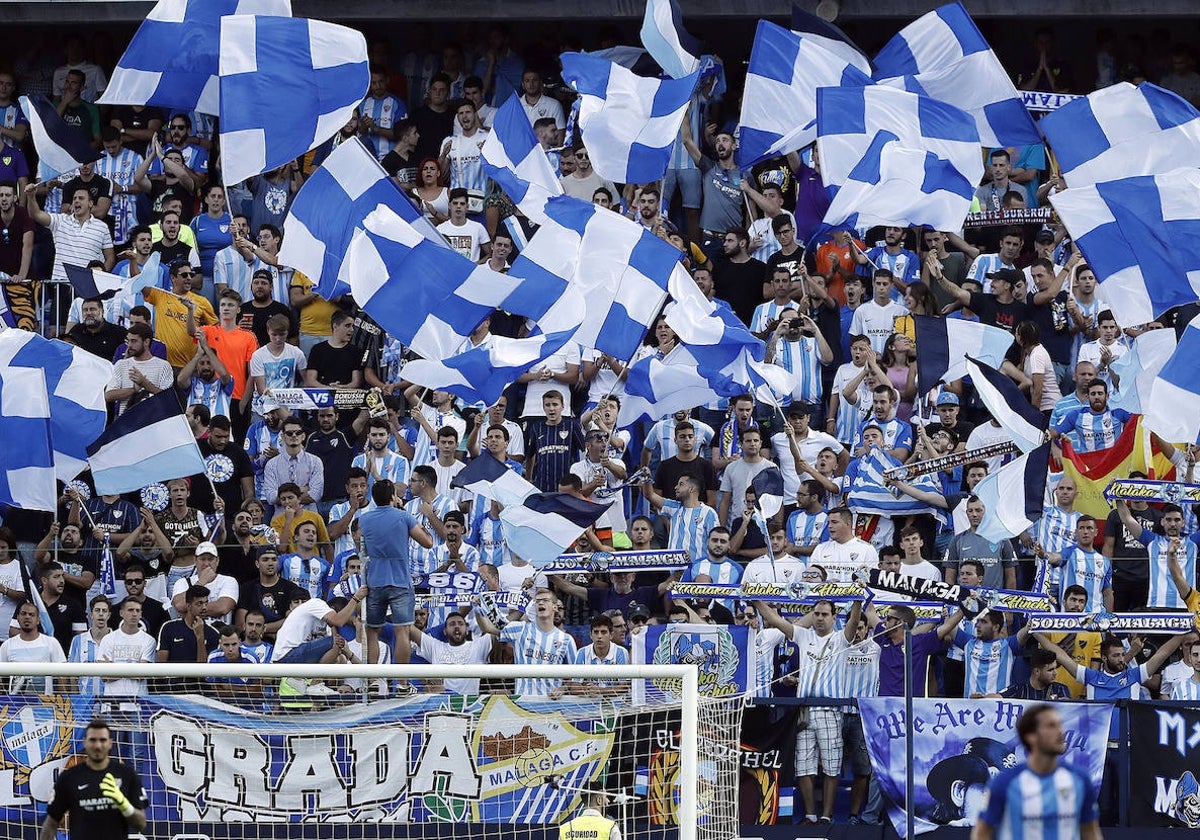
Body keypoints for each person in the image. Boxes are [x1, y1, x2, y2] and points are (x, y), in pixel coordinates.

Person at [970, 705, 1101, 840]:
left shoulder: (1080, 779)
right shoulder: (1005, 782)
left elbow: (1091, 832)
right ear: (1031, 736)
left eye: (1060, 725)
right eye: (1051, 726)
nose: (1061, 732)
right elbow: (982, 833)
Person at [358, 479, 434, 667]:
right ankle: (402, 683)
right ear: (393, 496)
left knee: (373, 632)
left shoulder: (364, 519)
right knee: (402, 632)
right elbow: (428, 542)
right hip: (400, 581)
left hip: (375, 581)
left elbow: (361, 547)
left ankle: (373, 680)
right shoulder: (403, 516)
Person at [41, 719, 148, 840]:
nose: (98, 745)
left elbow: (141, 823)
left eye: (102, 740)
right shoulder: (69, 777)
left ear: (110, 743)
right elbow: (50, 823)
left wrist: (123, 803)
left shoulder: (126, 774)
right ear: (85, 742)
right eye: (93, 740)